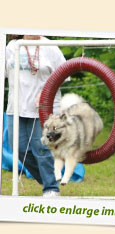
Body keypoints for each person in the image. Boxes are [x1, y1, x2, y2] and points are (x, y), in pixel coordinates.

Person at [5, 34, 70, 197]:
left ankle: (51, 189)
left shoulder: (51, 48)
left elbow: (64, 75)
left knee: (41, 149)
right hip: (16, 108)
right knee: (17, 148)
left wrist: (46, 92)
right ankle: (47, 178)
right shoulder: (11, 46)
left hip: (43, 108)